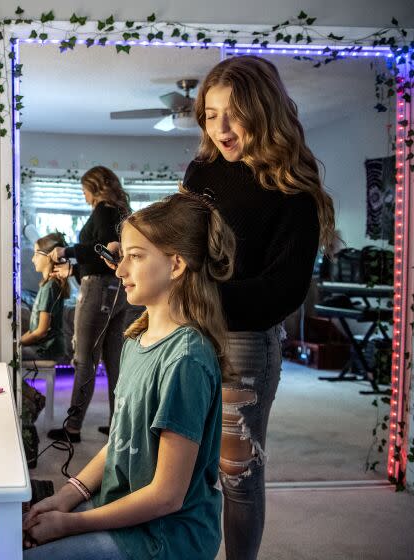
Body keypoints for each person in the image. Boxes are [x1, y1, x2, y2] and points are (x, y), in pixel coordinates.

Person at [180, 55, 336, 560]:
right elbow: (181, 239)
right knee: (185, 463)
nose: (219, 127)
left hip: (244, 345)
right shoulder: (202, 169)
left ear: (263, 109)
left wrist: (202, 297)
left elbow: (283, 292)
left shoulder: (293, 187)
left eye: (233, 112)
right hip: (188, 332)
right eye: (210, 113)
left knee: (237, 475)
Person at [23, 191, 236, 559]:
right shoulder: (136, 340)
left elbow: (167, 496)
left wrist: (70, 523)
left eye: (134, 257)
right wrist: (65, 497)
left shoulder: (185, 360)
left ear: (176, 265)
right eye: (122, 257)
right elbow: (120, 441)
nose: (120, 270)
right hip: (125, 513)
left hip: (163, 537)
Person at [48, 166, 133, 441]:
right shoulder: (119, 213)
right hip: (117, 290)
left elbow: (104, 251)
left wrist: (67, 251)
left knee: (84, 360)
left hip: (99, 290)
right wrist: (74, 270)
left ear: (94, 188)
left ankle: (72, 428)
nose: (84, 196)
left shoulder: (103, 211)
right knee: (113, 362)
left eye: (85, 190)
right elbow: (107, 257)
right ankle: (119, 426)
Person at [21, 232, 69, 363]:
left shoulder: (50, 286)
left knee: (10, 356)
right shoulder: (48, 285)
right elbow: (35, 330)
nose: (32, 259)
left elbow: (41, 330)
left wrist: (18, 343)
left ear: (48, 257)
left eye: (36, 254)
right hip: (47, 347)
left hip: (48, 349)